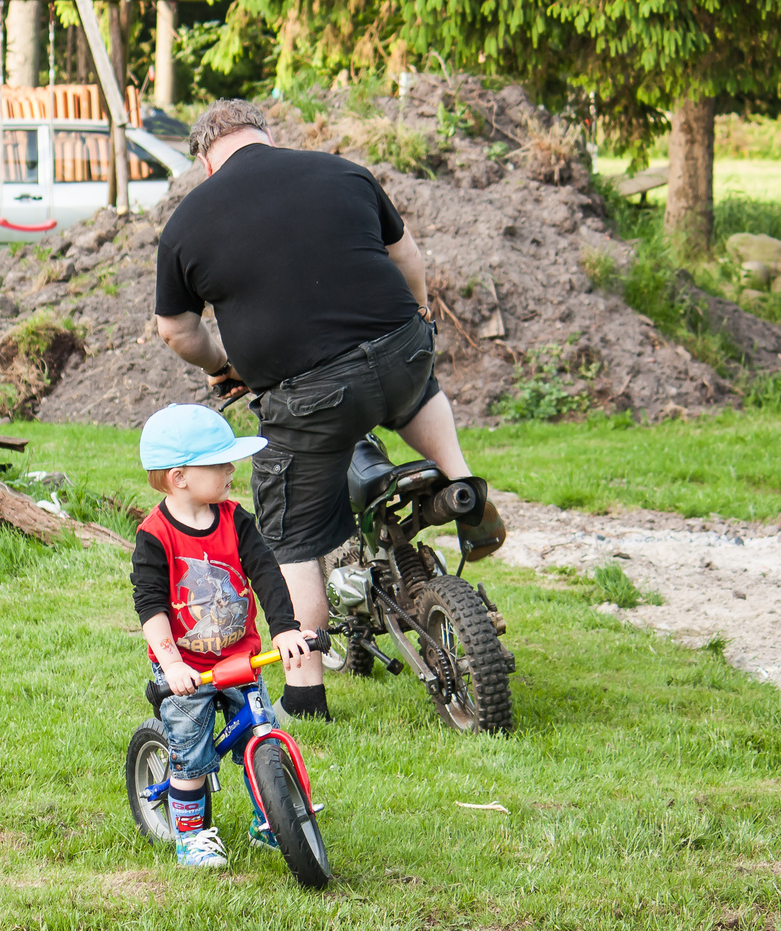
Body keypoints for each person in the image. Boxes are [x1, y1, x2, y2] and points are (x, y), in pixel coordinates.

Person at [153, 99, 505, 724]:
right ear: (265, 136)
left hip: (307, 392)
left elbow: (176, 331)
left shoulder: (187, 222)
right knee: (416, 392)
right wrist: (418, 317)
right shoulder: (342, 172)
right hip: (400, 350)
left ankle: (307, 693)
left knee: (290, 533)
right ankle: (461, 484)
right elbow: (409, 260)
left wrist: (220, 364)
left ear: (206, 161)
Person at [131, 403, 313, 869]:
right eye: (220, 463)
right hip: (186, 669)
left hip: (240, 660)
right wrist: (171, 664)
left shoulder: (235, 519)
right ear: (180, 477)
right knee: (191, 754)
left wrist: (286, 629)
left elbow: (266, 573)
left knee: (263, 734)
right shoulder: (155, 536)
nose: (232, 469)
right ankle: (191, 833)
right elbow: (150, 605)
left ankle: (268, 820)